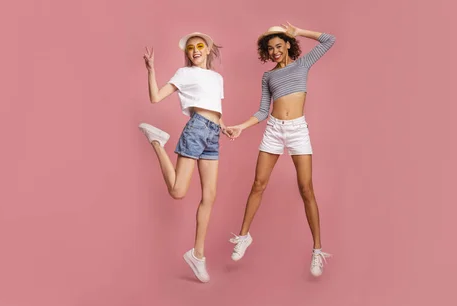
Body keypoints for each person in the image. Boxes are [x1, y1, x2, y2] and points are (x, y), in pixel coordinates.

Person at [226, 23, 336, 277]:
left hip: (298, 130)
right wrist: (242, 127)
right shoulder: (269, 76)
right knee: (258, 184)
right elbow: (264, 110)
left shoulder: (303, 64)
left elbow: (329, 40)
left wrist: (300, 31)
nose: (275, 51)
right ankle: (243, 236)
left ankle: (317, 251)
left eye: (278, 45)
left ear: (288, 44)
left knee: (306, 188)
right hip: (274, 129)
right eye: (270, 48)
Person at [139, 32, 230, 283]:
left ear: (208, 50)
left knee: (210, 197)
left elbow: (215, 108)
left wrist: (224, 127)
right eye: (191, 48)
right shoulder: (184, 74)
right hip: (196, 129)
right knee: (178, 191)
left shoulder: (217, 77)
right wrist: (151, 69)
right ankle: (157, 141)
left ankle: (197, 255)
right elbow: (156, 98)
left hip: (212, 134)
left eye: (200, 46)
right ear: (187, 53)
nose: (195, 50)